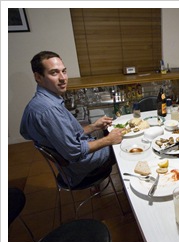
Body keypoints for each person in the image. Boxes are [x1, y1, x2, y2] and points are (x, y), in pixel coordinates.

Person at [20, 51, 125, 187]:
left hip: (70, 164)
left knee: (107, 136)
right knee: (123, 146)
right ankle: (130, 189)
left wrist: (93, 127)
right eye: (54, 73)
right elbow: (74, 152)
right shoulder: (49, 110)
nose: (63, 78)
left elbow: (62, 136)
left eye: (64, 71)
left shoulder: (38, 102)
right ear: (38, 77)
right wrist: (108, 140)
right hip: (79, 168)